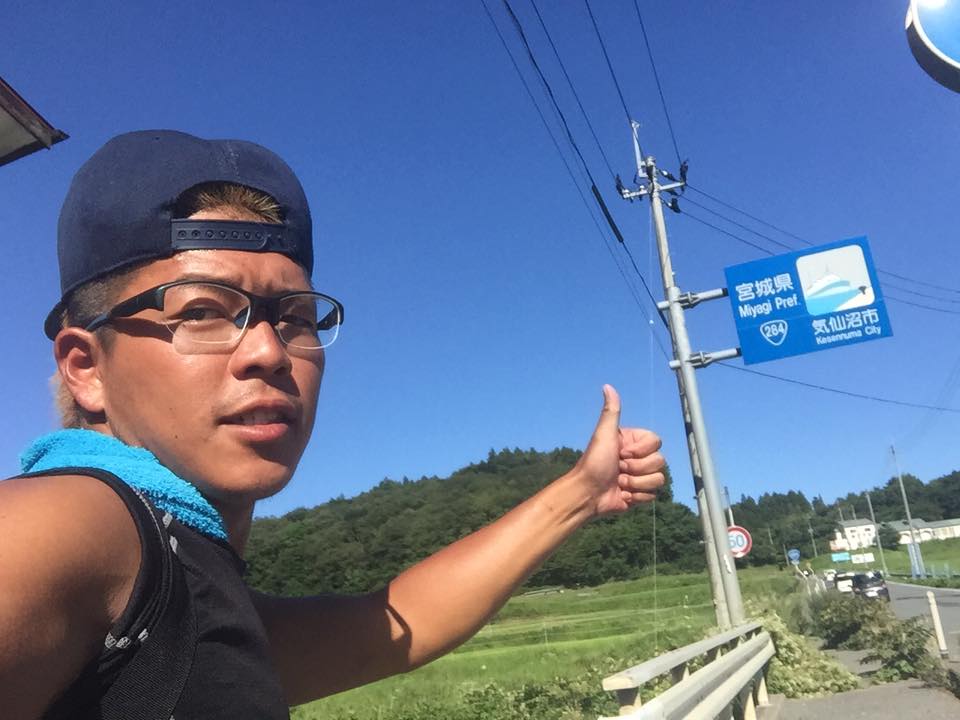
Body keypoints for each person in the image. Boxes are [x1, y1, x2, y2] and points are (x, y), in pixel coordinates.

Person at [0, 130, 665, 719]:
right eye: (202, 311)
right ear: (87, 367)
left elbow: (399, 623)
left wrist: (582, 492)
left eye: (294, 316)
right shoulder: (73, 525)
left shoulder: (181, 593)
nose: (269, 351)